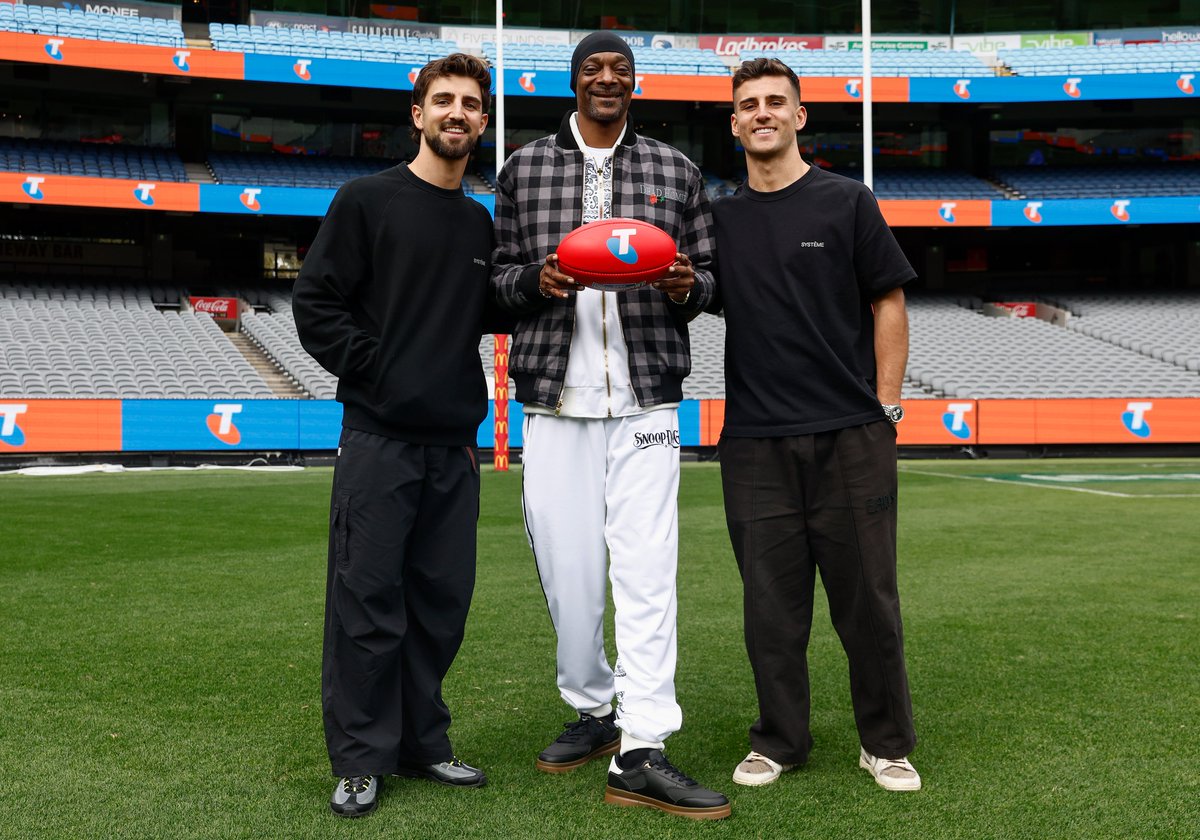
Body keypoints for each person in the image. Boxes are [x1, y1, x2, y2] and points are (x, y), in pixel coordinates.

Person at [491, 31, 730, 820]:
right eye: (593, 68)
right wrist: (535, 279)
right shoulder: (524, 168)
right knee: (569, 572)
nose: (607, 78)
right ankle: (596, 706)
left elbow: (708, 282)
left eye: (619, 70)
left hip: (647, 397)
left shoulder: (674, 169)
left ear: (634, 85)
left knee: (646, 568)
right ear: (574, 82)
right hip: (556, 396)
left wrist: (688, 285)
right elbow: (494, 281)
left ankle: (644, 744)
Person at [292, 53, 499, 818]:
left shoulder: (480, 222)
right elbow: (316, 304)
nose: (456, 113)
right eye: (442, 100)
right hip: (379, 440)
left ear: (482, 122)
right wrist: (381, 372)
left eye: (470, 104)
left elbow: (491, 310)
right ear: (417, 115)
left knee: (440, 602)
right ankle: (360, 758)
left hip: (454, 445)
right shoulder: (366, 201)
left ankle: (423, 742)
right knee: (367, 601)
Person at [711, 58, 921, 792]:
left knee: (869, 602)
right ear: (733, 123)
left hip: (851, 434)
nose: (761, 112)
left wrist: (886, 407)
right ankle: (779, 740)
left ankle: (885, 742)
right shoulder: (719, 219)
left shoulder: (847, 201)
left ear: (801, 117)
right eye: (748, 104)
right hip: (755, 440)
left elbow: (888, 301)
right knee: (770, 608)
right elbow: (683, 287)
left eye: (776, 101)